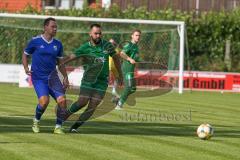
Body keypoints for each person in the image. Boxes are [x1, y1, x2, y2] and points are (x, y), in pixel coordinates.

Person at [63, 24, 122, 132]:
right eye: (96, 33)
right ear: (90, 34)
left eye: (100, 33)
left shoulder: (107, 45)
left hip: (102, 81)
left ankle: (74, 128)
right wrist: (60, 62)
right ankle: (62, 118)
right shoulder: (85, 47)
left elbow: (116, 59)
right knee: (82, 102)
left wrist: (120, 74)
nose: (98, 35)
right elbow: (72, 56)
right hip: (88, 80)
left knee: (93, 106)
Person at [22, 17, 69, 134]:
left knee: (62, 101)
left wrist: (65, 77)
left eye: (56, 27)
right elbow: (25, 54)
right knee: (44, 102)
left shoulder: (58, 44)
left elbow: (60, 63)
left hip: (53, 78)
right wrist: (26, 67)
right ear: (45, 27)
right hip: (39, 78)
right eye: (53, 26)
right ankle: (36, 120)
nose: (55, 29)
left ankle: (58, 127)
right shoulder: (35, 41)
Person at [115, 29, 141, 110]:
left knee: (133, 89)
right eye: (136, 35)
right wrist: (129, 59)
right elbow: (122, 53)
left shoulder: (136, 46)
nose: (138, 37)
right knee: (128, 87)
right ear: (132, 36)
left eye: (139, 35)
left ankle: (117, 98)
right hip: (126, 69)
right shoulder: (129, 45)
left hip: (131, 70)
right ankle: (119, 104)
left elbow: (135, 58)